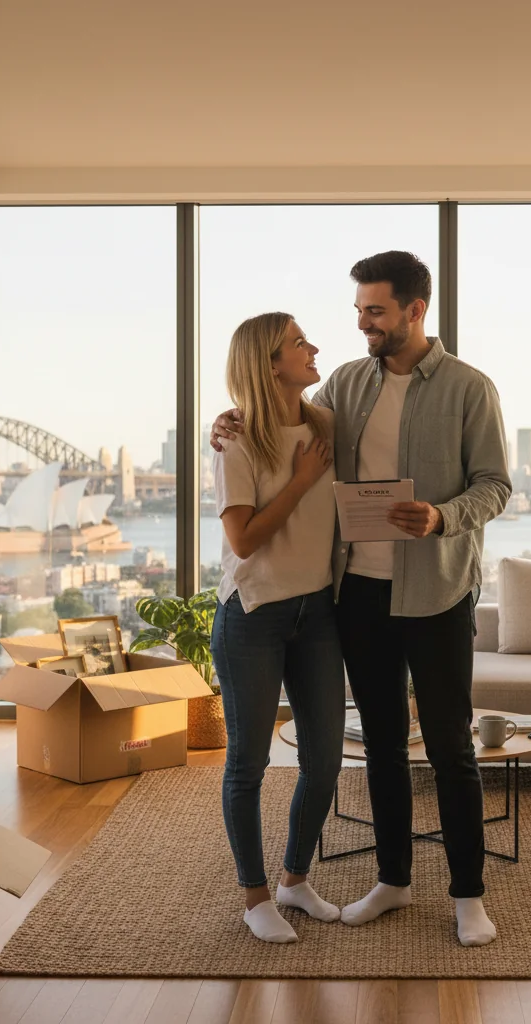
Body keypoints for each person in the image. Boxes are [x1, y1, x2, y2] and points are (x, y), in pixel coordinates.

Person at [212, 252, 512, 947]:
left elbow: (495, 484)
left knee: (449, 748)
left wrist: (442, 516)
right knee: (379, 746)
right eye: (358, 313)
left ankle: (468, 894)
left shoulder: (470, 388)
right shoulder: (345, 385)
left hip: (437, 590)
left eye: (374, 312)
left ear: (415, 310)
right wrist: (228, 421)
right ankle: (394, 881)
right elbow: (277, 422)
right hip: (357, 597)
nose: (361, 325)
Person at [209, 311, 345, 944]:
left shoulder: (325, 426)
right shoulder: (238, 442)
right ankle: (254, 894)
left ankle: (293, 879)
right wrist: (300, 482)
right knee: (249, 763)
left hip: (317, 612)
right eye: (299, 342)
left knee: (325, 760)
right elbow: (243, 540)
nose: (313, 347)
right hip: (254, 616)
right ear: (270, 363)